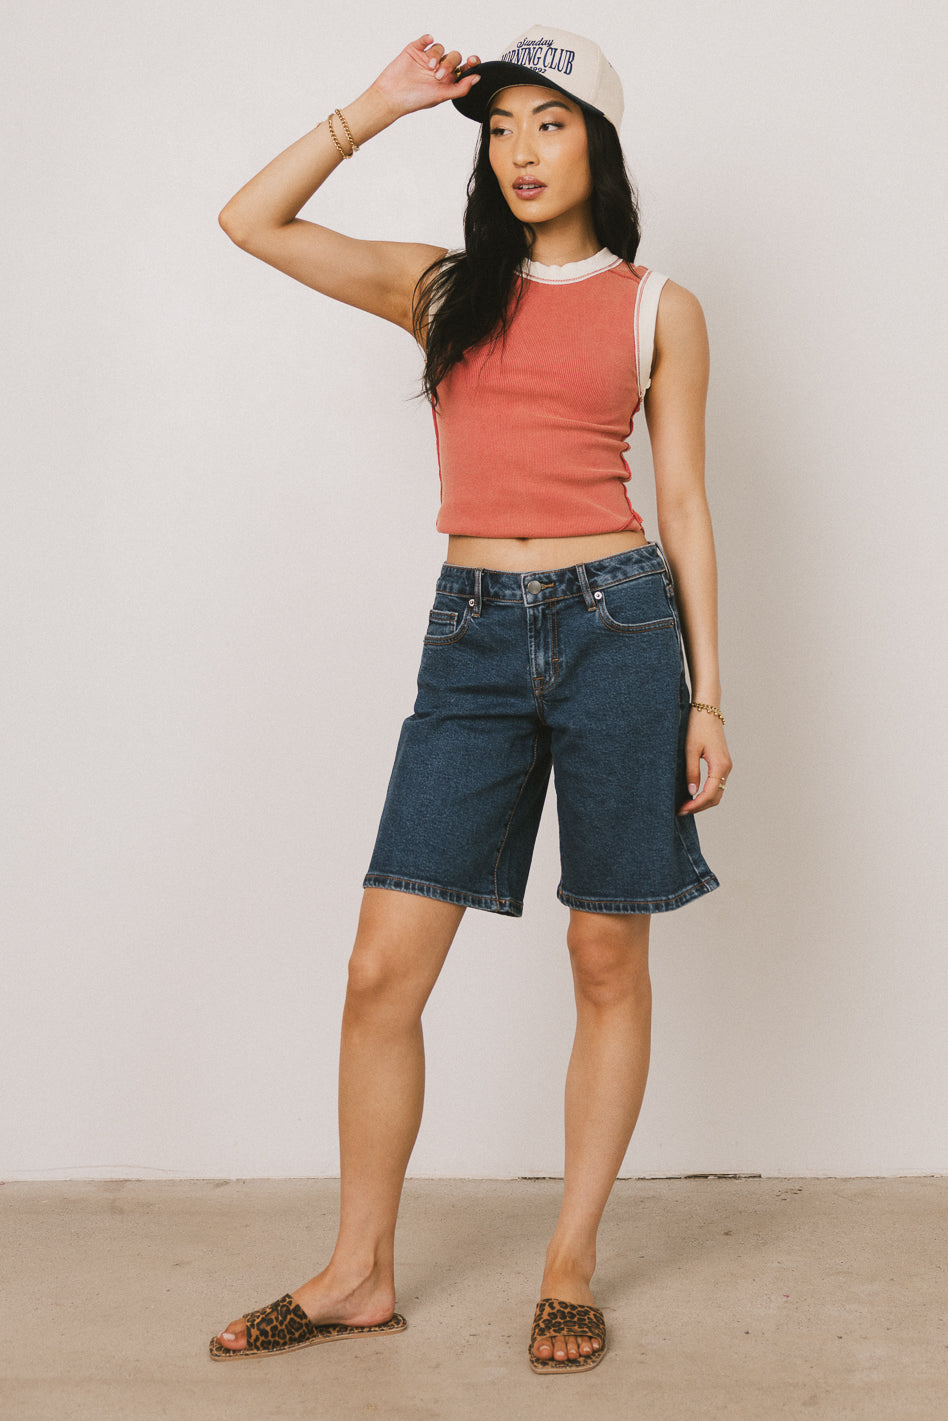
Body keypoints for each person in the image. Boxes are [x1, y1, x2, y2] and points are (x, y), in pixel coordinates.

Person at [210, 25, 732, 1375]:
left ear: (597, 146)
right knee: (383, 966)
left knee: (606, 956)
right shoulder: (445, 290)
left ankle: (569, 1263)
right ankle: (358, 1271)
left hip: (623, 630)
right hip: (475, 639)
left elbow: (681, 500)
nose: (520, 150)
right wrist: (380, 105)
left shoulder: (655, 304)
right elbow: (249, 220)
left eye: (547, 125)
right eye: (500, 129)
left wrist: (710, 696)